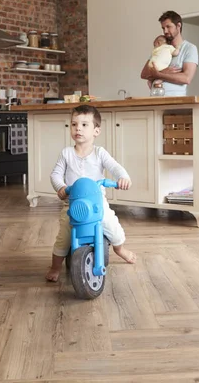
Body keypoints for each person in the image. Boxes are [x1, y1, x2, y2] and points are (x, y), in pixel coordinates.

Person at [46, 105, 137, 282]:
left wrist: (123, 177)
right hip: (72, 203)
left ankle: (120, 249)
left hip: (96, 203)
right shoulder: (66, 154)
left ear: (96, 130)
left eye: (84, 124)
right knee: (64, 236)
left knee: (111, 225)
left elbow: (115, 167)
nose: (78, 128)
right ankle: (55, 266)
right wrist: (61, 187)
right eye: (74, 124)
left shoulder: (99, 153)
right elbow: (55, 174)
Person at [140, 10, 199, 96]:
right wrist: (164, 72)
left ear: (178, 26)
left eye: (168, 26)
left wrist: (159, 74)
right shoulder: (160, 47)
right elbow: (144, 74)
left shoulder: (190, 48)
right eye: (163, 28)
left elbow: (186, 78)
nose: (165, 31)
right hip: (155, 100)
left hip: (176, 103)